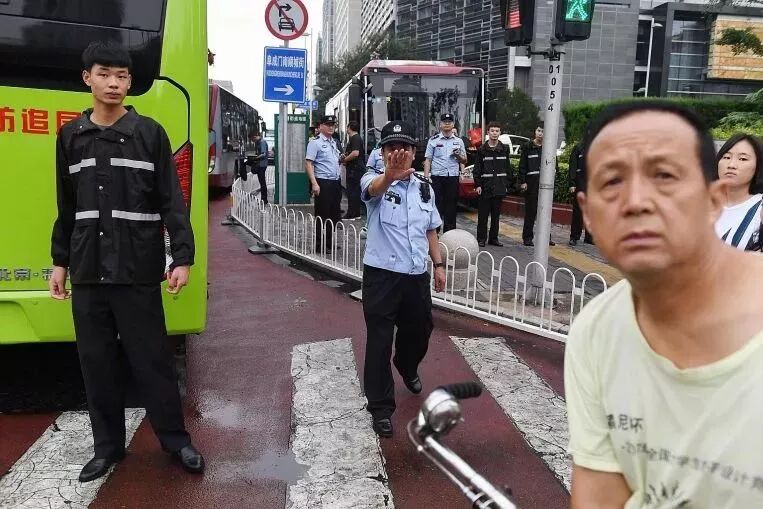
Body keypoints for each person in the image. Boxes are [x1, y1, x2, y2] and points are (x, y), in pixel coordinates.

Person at [565, 101, 763, 508]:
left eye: (664, 176)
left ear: (714, 201)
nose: (636, 201)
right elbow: (600, 495)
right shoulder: (595, 331)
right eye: (612, 181)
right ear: (588, 213)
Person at [49, 41, 204, 483]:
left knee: (152, 361)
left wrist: (182, 258)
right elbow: (67, 206)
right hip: (88, 269)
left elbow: (172, 201)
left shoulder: (149, 134)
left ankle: (176, 441)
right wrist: (60, 262)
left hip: (137, 268)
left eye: (122, 76)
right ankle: (108, 449)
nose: (114, 83)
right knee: (96, 364)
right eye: (104, 74)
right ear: (88, 78)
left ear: (130, 82)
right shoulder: (70, 137)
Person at [360, 120, 447, 438]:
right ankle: (381, 408)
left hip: (415, 276)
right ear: (382, 152)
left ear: (413, 152)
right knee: (379, 342)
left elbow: (430, 229)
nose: (399, 152)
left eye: (405, 147)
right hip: (382, 278)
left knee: (421, 330)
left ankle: (407, 365)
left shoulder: (425, 187)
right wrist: (389, 177)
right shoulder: (373, 180)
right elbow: (372, 190)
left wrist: (438, 264)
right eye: (392, 147)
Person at [713, 133, 763, 251]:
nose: (731, 165)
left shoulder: (759, 210)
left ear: (758, 166)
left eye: (743, 159)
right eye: (726, 157)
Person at [424, 113, 467, 232]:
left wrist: (458, 157)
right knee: (436, 205)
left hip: (452, 177)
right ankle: (435, 232)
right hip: (437, 177)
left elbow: (464, 160)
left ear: (453, 125)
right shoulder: (433, 140)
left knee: (451, 205)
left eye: (449, 122)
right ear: (440, 125)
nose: (447, 124)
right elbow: (428, 160)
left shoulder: (459, 141)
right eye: (444, 122)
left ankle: (450, 233)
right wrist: (426, 177)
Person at [305, 115, 342, 253]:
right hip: (323, 182)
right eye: (328, 124)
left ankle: (329, 242)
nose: (331, 127)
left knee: (334, 214)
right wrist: (314, 183)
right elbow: (309, 164)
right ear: (320, 126)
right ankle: (320, 244)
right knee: (322, 214)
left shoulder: (334, 142)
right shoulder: (315, 143)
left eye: (333, 124)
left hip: (335, 182)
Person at [473, 121, 512, 247]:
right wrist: (478, 185)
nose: (494, 133)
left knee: (496, 216)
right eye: (492, 131)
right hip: (485, 187)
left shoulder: (504, 149)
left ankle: (493, 238)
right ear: (488, 133)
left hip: (499, 186)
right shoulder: (482, 150)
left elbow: (508, 168)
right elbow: (477, 169)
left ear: (500, 133)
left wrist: (507, 184)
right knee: (483, 216)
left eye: (497, 131)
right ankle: (481, 238)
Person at [519, 123, 555, 246]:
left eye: (543, 131)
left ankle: (546, 237)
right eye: (539, 130)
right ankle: (527, 237)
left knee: (545, 212)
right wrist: (523, 181)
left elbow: (554, 164)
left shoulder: (549, 147)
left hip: (545, 185)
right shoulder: (527, 147)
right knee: (531, 212)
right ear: (535, 131)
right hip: (531, 184)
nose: (540, 133)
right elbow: (522, 165)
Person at [568, 142, 593, 246]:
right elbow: (573, 166)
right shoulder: (578, 147)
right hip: (580, 183)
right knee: (578, 211)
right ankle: (574, 236)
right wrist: (572, 183)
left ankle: (589, 237)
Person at [341, 120, 364, 219]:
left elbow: (355, 153)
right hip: (354, 169)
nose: (346, 129)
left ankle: (352, 214)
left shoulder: (355, 138)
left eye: (347, 127)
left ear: (349, 128)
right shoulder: (355, 138)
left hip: (354, 169)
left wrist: (345, 160)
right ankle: (356, 213)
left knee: (352, 191)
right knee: (354, 191)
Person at [250, 132, 269, 204]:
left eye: (252, 139)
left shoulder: (262, 142)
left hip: (262, 165)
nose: (253, 141)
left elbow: (263, 154)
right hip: (260, 164)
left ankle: (264, 200)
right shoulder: (259, 142)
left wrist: (255, 158)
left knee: (262, 182)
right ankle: (263, 199)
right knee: (261, 182)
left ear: (255, 137)